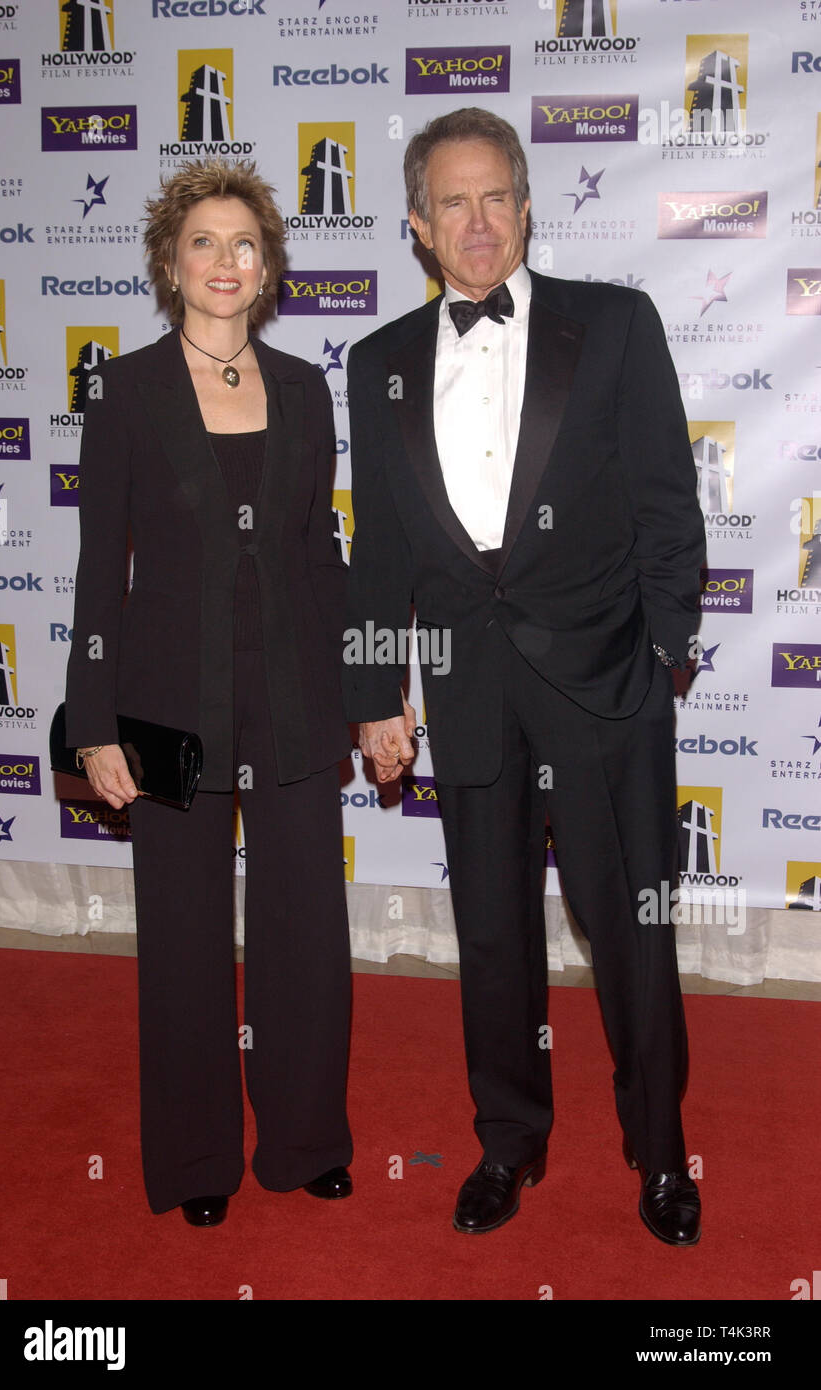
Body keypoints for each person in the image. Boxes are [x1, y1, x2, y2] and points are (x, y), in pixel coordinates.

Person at [343, 109, 707, 1244]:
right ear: (417, 223)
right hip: (470, 696)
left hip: (606, 688)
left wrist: (665, 657)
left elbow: (665, 501)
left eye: (495, 195)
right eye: (452, 202)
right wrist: (371, 689)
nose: (477, 221)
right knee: (492, 934)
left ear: (527, 204)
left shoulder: (614, 325)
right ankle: (508, 1141)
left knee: (630, 930)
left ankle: (659, 1153)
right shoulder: (381, 363)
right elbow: (383, 552)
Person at [64, 159, 353, 1224]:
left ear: (266, 265)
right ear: (169, 263)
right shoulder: (127, 392)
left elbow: (322, 555)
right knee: (181, 941)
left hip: (290, 696)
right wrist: (93, 724)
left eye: (243, 243)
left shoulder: (305, 389)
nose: (225, 262)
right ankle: (195, 1163)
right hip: (166, 707)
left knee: (305, 933)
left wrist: (362, 688)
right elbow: (103, 569)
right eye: (203, 243)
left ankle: (307, 1138)